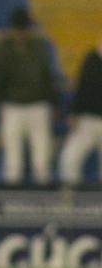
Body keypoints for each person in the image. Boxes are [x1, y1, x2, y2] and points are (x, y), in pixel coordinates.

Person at [0, 7, 58, 185]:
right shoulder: (1, 51)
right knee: (13, 164)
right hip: (12, 108)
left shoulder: (38, 48)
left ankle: (44, 204)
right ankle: (11, 204)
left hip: (38, 107)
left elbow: (47, 77)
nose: (21, 33)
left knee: (41, 163)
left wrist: (53, 103)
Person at [58, 38, 102, 184]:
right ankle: (71, 200)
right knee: (69, 159)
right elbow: (81, 87)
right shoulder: (90, 59)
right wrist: (74, 113)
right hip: (87, 120)